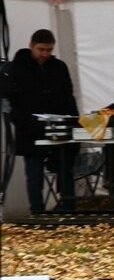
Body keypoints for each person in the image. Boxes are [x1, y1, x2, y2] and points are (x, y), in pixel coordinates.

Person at [9, 29, 79, 215]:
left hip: (59, 125)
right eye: (41, 49)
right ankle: (37, 210)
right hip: (30, 128)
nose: (45, 54)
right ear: (31, 46)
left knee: (65, 168)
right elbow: (12, 100)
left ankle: (67, 206)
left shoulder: (59, 67)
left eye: (49, 50)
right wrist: (23, 122)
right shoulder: (17, 68)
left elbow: (68, 96)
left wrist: (74, 121)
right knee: (34, 173)